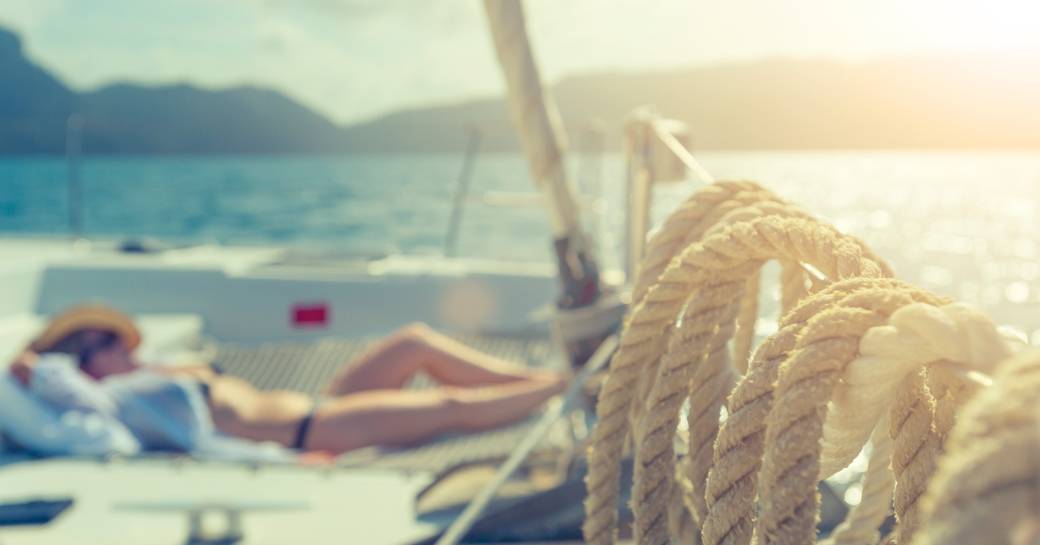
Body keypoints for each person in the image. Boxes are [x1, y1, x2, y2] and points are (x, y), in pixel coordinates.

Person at [8, 304, 566, 454]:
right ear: (83, 363)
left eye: (116, 336)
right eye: (100, 344)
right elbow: (66, 395)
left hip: (318, 402)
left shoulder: (150, 369)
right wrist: (38, 367)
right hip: (307, 432)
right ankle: (568, 383)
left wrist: (137, 354)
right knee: (450, 403)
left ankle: (542, 374)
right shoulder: (113, 397)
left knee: (414, 342)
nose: (118, 345)